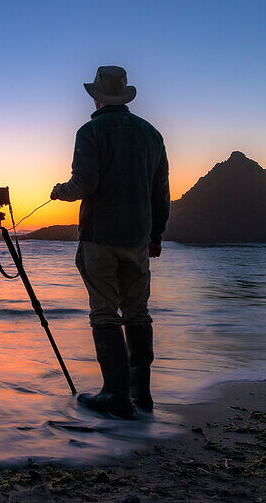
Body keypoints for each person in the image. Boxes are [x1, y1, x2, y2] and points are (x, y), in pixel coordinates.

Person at [51, 65, 170, 418]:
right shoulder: (152, 135)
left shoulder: (90, 131)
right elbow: (160, 191)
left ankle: (116, 395)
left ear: (97, 97)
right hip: (138, 237)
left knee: (104, 312)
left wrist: (60, 192)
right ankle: (141, 395)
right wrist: (156, 234)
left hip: (100, 236)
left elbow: (84, 184)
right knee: (138, 311)